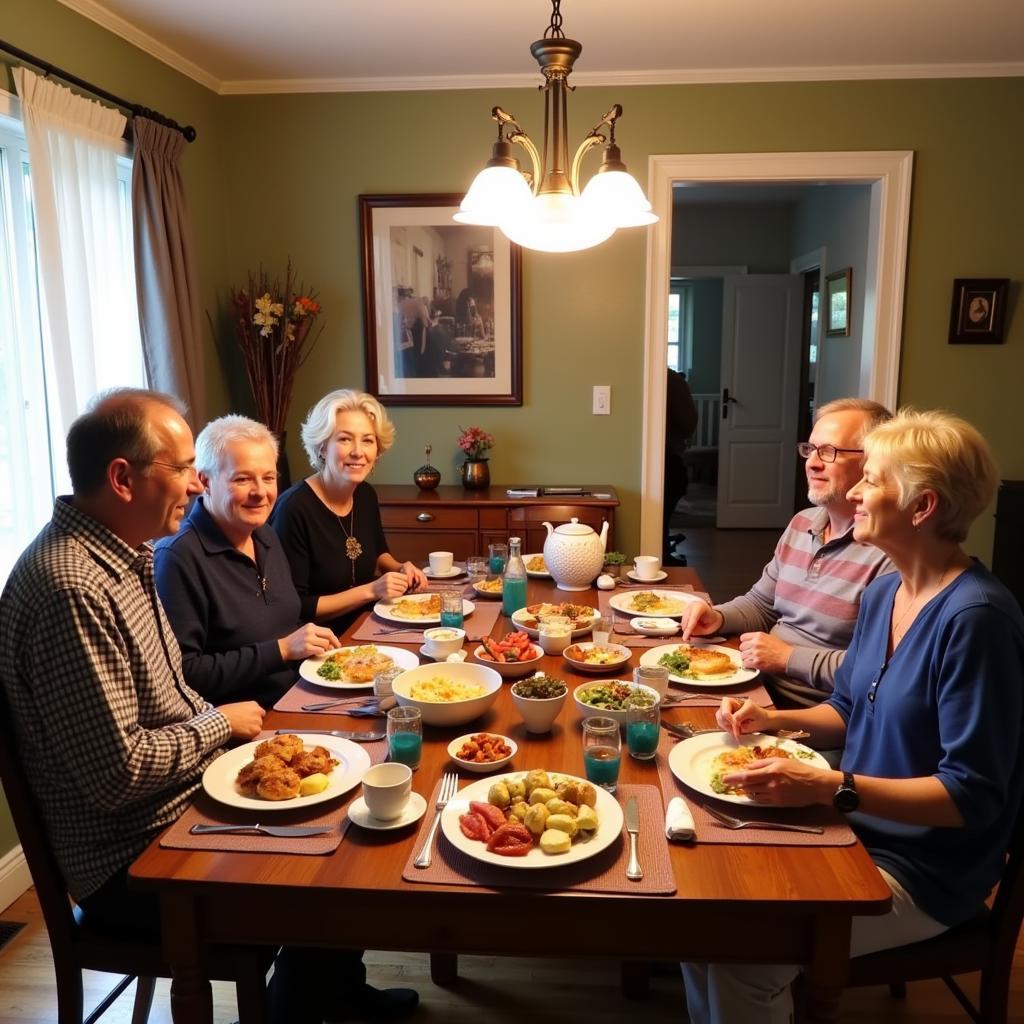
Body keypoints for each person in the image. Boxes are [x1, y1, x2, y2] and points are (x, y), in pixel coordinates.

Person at [0, 389, 418, 1024]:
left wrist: (258, 742)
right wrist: (224, 724)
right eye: (183, 468)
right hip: (133, 854)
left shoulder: (124, 556)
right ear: (121, 478)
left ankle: (333, 992)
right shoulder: (72, 587)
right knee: (330, 877)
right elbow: (119, 775)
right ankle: (297, 1009)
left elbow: (176, 688)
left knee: (351, 804)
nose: (196, 484)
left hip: (182, 797)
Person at [681, 408, 1024, 1024]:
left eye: (875, 478)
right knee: (702, 903)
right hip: (855, 824)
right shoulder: (888, 592)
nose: (858, 489)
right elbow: (847, 707)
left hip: (920, 869)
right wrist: (771, 724)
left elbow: (971, 796)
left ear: (922, 507)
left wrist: (831, 787)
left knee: (743, 956)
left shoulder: (977, 621)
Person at [680, 397, 895, 705]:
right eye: (810, 449)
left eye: (830, 452)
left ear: (873, 462)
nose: (812, 462)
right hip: (755, 687)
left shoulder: (889, 555)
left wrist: (788, 658)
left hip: (811, 714)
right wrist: (717, 617)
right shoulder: (802, 523)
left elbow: (877, 670)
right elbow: (762, 605)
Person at [154, 415, 340, 707]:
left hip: (299, 695)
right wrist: (281, 650)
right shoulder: (177, 557)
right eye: (242, 479)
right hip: (246, 723)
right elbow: (184, 674)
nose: (260, 493)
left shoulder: (264, 534)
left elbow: (286, 620)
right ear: (205, 481)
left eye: (268, 478)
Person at [271, 389, 427, 633]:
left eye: (367, 440)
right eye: (344, 439)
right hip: (319, 641)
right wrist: (372, 590)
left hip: (367, 623)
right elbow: (296, 606)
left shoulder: (365, 494)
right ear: (322, 447)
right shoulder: (293, 508)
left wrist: (400, 568)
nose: (358, 451)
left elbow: (377, 553)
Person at [663, 367, 698, 565]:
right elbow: (688, 424)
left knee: (662, 513)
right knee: (664, 512)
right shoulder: (673, 380)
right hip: (670, 459)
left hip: (667, 460)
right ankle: (663, 553)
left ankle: (663, 549)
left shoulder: (669, 379)